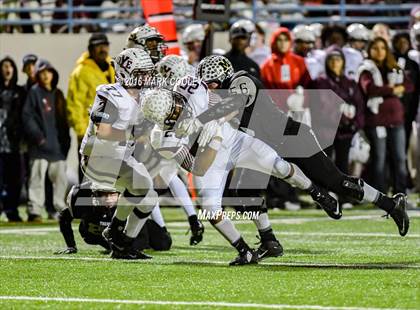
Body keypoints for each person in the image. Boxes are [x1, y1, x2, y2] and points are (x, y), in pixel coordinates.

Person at [188, 55, 409, 237]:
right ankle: (269, 241)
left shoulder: (241, 80)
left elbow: (235, 104)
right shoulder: (220, 97)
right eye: (208, 86)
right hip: (270, 145)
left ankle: (390, 204)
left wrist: (203, 119)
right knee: (243, 191)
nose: (211, 89)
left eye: (213, 83)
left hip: (293, 137)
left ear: (224, 76)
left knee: (338, 182)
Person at [142, 82, 339, 266]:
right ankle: (244, 250)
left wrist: (215, 119)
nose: (179, 109)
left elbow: (233, 104)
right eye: (173, 113)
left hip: (235, 142)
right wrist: (215, 138)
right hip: (210, 162)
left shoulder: (188, 88)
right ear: (162, 121)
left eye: (175, 104)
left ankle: (317, 193)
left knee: (279, 166)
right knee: (210, 209)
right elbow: (198, 168)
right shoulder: (161, 139)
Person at [357, 37, 413, 195]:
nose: (379, 51)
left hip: (396, 119)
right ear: (369, 50)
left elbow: (409, 85)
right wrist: (393, 89)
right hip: (376, 121)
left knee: (400, 159)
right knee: (379, 159)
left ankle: (400, 194)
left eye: (382, 48)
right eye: (375, 48)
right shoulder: (366, 68)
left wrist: (392, 88)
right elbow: (370, 88)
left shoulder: (393, 66)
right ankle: (379, 196)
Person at [55, 183, 172, 255]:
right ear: (94, 194)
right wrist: (71, 245)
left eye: (112, 194)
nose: (108, 199)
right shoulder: (82, 197)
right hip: (99, 234)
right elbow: (64, 217)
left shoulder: (126, 199)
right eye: (104, 195)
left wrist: (129, 248)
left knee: (163, 244)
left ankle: (163, 229)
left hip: (132, 230)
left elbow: (141, 233)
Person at [311, 48, 365, 204]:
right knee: (324, 165)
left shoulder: (349, 83)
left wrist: (355, 124)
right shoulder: (320, 82)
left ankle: (344, 196)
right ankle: (323, 197)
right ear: (327, 62)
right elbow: (321, 106)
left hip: (345, 131)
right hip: (325, 129)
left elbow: (359, 105)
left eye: (338, 60)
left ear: (343, 62)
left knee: (343, 165)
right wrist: (342, 118)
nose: (335, 63)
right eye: (332, 60)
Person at [22, 59, 71, 222]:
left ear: (53, 74)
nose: (45, 76)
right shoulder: (34, 92)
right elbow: (27, 117)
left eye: (48, 72)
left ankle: (60, 210)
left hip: (57, 148)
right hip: (39, 148)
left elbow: (64, 122)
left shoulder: (58, 94)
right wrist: (39, 138)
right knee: (36, 181)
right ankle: (35, 211)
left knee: (61, 182)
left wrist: (65, 144)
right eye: (42, 72)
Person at [67, 33, 115, 171]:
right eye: (98, 46)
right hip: (91, 132)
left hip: (111, 132)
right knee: (88, 173)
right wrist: (82, 132)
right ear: (90, 49)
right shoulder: (81, 72)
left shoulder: (113, 67)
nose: (103, 49)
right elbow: (75, 104)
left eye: (105, 45)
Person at [0, 56, 25, 222]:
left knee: (15, 181)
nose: (7, 69)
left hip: (14, 145)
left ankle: (12, 211)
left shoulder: (20, 92)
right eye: (4, 66)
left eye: (10, 66)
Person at [261, 27, 312, 91]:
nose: (283, 43)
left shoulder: (299, 61)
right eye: (279, 40)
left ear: (290, 41)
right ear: (274, 41)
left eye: (286, 40)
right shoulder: (267, 66)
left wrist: (301, 93)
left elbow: (308, 84)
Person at [392, 32, 420, 148]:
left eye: (405, 42)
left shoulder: (413, 64)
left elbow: (416, 87)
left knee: (406, 137)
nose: (402, 45)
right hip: (394, 107)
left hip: (409, 106)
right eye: (399, 42)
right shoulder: (390, 61)